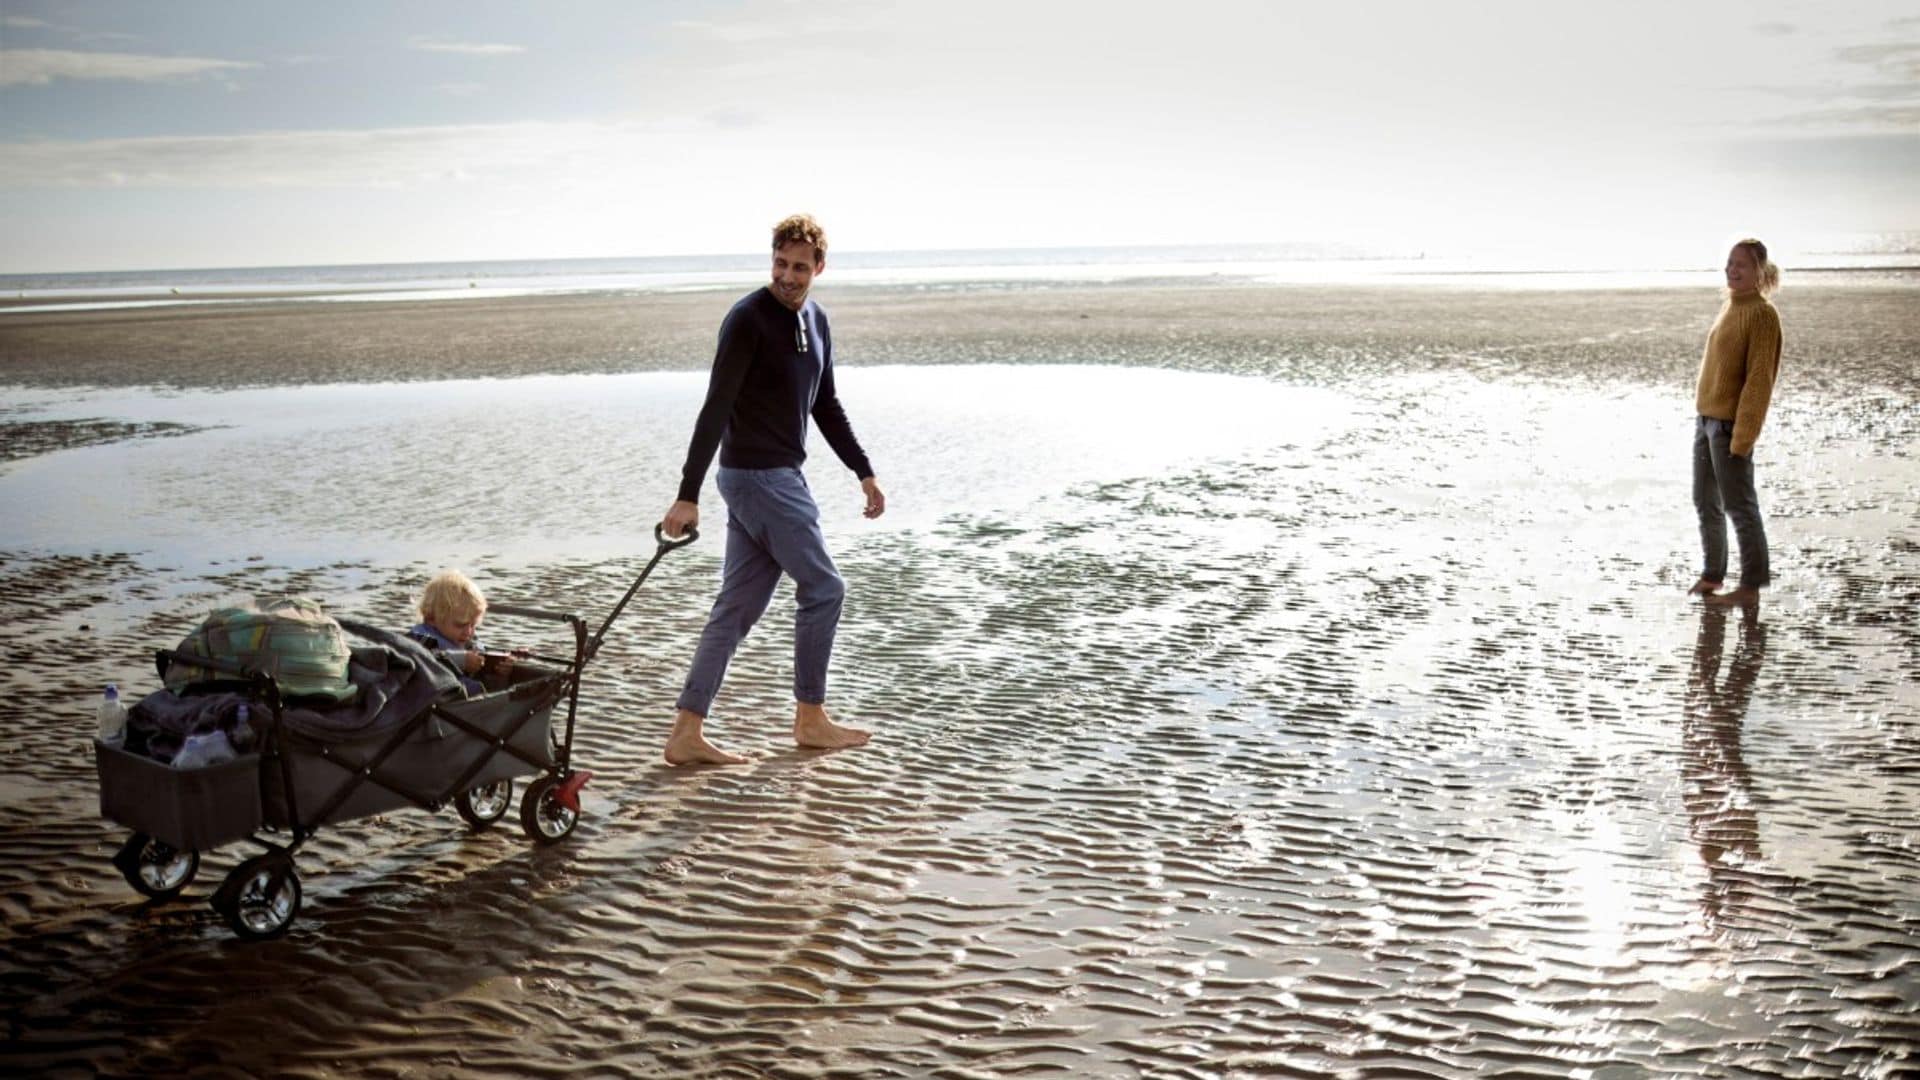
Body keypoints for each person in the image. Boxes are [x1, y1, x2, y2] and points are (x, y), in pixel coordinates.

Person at [660, 213, 885, 765]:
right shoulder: (747, 320)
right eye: (781, 264)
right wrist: (687, 493)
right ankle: (811, 718)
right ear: (772, 261)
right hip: (761, 480)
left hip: (768, 479)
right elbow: (715, 408)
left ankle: (685, 733)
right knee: (825, 588)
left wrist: (864, 469)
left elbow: (825, 403)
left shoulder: (818, 320)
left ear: (819, 268)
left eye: (800, 267)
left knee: (735, 609)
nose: (788, 276)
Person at [1688, 237, 1782, 609]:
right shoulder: (1730, 305)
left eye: (1742, 264)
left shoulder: (1762, 314)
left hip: (1729, 427)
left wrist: (1744, 436)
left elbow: (1759, 381)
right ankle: (1713, 574)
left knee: (1739, 505)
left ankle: (1751, 586)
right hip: (1706, 421)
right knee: (1705, 500)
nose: (1733, 269)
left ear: (1760, 271)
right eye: (1730, 263)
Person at [407, 569, 519, 695]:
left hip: (469, 704)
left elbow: (486, 682)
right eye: (460, 625)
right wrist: (461, 660)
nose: (469, 632)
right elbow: (421, 662)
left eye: (473, 625)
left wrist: (498, 673)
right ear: (432, 618)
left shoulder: (470, 642)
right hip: (434, 701)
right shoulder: (420, 636)